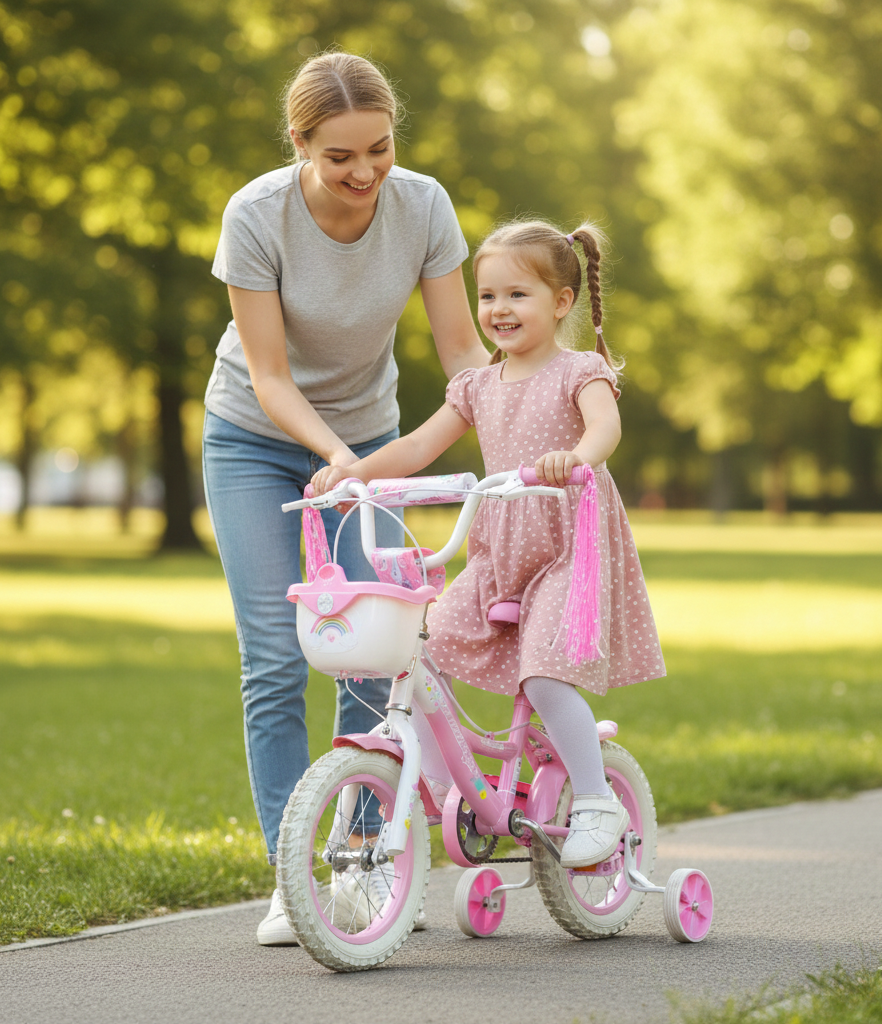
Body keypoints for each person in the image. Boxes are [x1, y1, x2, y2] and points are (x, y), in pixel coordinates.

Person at [201, 51, 488, 946]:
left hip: (369, 443)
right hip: (256, 440)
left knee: (370, 654)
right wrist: (335, 457)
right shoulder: (256, 215)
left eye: (380, 148)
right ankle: (295, 880)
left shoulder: (424, 205)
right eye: (340, 157)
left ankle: (362, 868)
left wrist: (514, 423)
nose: (364, 172)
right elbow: (272, 376)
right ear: (300, 145)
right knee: (277, 662)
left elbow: (461, 352)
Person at [313, 219, 666, 869]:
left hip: (567, 547)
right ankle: (450, 792)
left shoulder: (579, 370)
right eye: (487, 297)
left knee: (546, 672)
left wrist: (574, 459)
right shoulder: (477, 384)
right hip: (498, 551)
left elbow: (605, 428)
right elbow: (420, 446)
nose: (498, 310)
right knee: (422, 651)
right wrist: (355, 474)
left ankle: (594, 798)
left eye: (517, 295)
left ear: (561, 303)